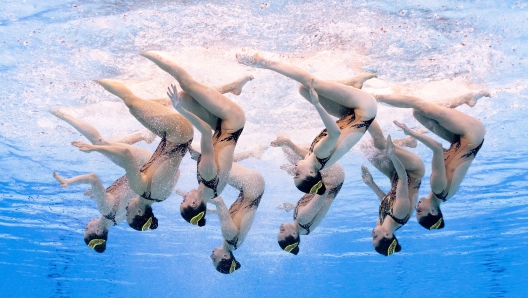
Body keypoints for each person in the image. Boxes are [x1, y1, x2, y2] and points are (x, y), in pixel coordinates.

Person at [71, 72, 252, 230]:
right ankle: (91, 77)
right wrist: (95, 148)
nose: (125, 209)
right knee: (131, 101)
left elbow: (176, 171)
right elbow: (127, 156)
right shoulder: (142, 189)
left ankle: (230, 87)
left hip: (181, 139)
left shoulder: (163, 196)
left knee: (175, 101)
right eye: (129, 213)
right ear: (140, 211)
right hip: (175, 133)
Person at [237, 53, 377, 194]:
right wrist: (317, 105)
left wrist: (288, 143)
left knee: (304, 90)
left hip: (352, 114)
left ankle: (353, 84)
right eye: (297, 174)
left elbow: (307, 156)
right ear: (311, 172)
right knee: (310, 82)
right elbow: (335, 133)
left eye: (293, 175)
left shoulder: (318, 163)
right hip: (364, 107)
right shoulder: (320, 152)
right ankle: (262, 62)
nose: (294, 171)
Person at [141, 51, 248, 227]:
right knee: (186, 84)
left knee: (184, 97)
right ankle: (147, 53)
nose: (183, 197)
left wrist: (197, 153)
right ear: (194, 203)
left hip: (224, 129)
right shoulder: (206, 176)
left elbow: (221, 160)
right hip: (231, 120)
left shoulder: (212, 193)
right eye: (184, 201)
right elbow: (205, 132)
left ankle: (233, 87)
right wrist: (181, 110)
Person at [376, 90, 489, 230]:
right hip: (470, 134)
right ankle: (374, 97)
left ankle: (464, 99)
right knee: (419, 105)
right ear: (433, 211)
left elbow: (449, 156)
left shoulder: (447, 195)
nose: (416, 206)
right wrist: (411, 132)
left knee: (420, 114)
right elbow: (437, 147)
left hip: (463, 140)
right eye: (420, 211)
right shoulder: (438, 188)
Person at [50, 109, 155, 252]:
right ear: (98, 231)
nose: (86, 224)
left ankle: (143, 135)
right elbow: (92, 178)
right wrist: (69, 181)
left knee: (109, 145)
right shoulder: (105, 209)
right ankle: (63, 115)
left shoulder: (118, 220)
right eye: (87, 228)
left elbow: (126, 194)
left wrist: (103, 193)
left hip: (149, 170)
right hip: (144, 164)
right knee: (99, 143)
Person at [183, 145, 265, 274]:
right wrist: (194, 196)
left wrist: (208, 211)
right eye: (215, 260)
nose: (211, 257)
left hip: (253, 188)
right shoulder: (228, 236)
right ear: (226, 256)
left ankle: (252, 151)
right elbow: (219, 202)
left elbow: (225, 214)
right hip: (251, 184)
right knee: (213, 167)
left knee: (223, 166)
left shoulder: (234, 243)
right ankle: (195, 150)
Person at [270, 135, 345, 255]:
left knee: (291, 155)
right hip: (333, 176)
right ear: (293, 234)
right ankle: (290, 141)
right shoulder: (302, 218)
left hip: (333, 179)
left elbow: (318, 207)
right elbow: (323, 191)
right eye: (282, 231)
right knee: (291, 151)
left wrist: (294, 206)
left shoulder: (303, 227)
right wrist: (297, 171)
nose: (280, 228)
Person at [360, 120, 424, 256]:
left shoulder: (382, 222)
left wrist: (370, 183)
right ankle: (366, 115)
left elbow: (387, 200)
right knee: (380, 144)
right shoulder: (400, 213)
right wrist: (392, 155)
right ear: (388, 235)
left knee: (366, 148)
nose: (372, 234)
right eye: (375, 237)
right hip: (412, 170)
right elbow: (403, 178)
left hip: (394, 176)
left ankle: (408, 141)